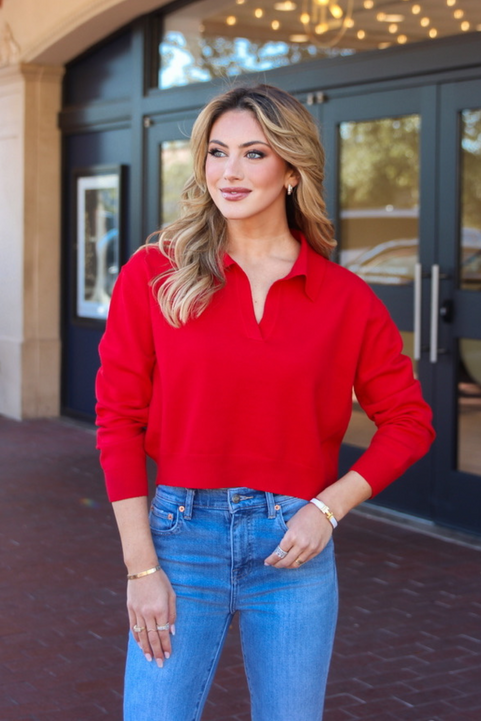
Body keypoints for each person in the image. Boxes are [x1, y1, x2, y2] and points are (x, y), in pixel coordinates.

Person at [95, 83, 435, 721]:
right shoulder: (154, 275)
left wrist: (328, 511)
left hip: (293, 547)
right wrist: (142, 570)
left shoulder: (344, 298)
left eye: (253, 154)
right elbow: (117, 419)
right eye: (217, 152)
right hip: (178, 539)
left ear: (290, 169)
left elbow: (409, 421)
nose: (229, 171)